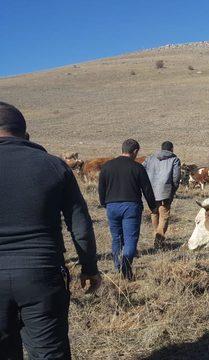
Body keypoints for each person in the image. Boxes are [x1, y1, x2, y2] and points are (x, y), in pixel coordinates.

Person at [0, 101, 101, 359]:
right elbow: (81, 226)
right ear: (25, 134)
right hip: (42, 274)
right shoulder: (54, 166)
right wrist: (89, 268)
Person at [98, 139, 156, 281]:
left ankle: (118, 266)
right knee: (130, 239)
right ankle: (126, 264)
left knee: (116, 237)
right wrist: (153, 207)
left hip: (111, 206)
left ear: (122, 149)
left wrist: (104, 203)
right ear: (135, 151)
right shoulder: (138, 168)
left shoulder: (107, 166)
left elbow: (101, 188)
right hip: (131, 207)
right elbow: (147, 189)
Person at [143, 141, 181, 247]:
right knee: (164, 215)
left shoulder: (150, 158)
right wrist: (173, 190)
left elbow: (142, 171)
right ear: (172, 149)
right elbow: (176, 177)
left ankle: (157, 234)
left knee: (154, 213)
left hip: (150, 191)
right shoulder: (174, 159)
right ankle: (159, 240)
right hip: (165, 192)